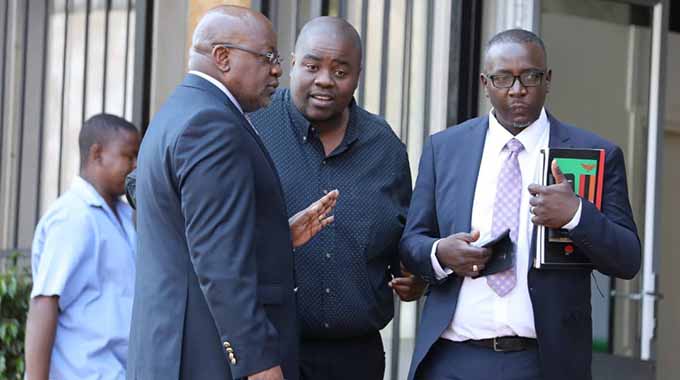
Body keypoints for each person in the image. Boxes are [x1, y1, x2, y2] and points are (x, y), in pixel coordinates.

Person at [400, 29, 641, 380]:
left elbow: (628, 258)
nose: (517, 90)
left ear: (548, 80)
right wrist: (440, 253)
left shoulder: (593, 155)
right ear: (485, 82)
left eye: (530, 76)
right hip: (452, 358)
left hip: (543, 363)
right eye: (503, 79)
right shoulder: (445, 149)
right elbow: (411, 242)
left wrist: (576, 215)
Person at [126, 6, 337, 380]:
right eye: (267, 57)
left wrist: (273, 236)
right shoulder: (212, 125)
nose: (276, 70)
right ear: (222, 57)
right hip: (205, 359)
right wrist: (257, 362)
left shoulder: (181, 111)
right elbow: (219, 262)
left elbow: (189, 227)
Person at [249, 17, 425, 380]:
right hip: (269, 352)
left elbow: (403, 237)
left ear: (358, 75)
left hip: (355, 357)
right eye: (313, 66)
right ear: (293, 62)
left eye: (340, 70)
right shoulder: (250, 125)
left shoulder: (385, 148)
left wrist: (413, 276)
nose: (325, 80)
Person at [25, 114, 140, 380]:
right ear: (97, 154)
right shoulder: (73, 216)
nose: (136, 166)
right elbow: (45, 302)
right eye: (128, 156)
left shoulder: (124, 216)